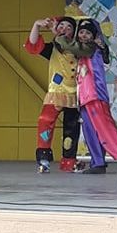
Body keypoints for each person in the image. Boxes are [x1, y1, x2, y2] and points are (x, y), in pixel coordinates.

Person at [57, 18, 117, 174]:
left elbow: (71, 46)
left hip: (95, 95)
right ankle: (98, 163)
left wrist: (60, 37)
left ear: (94, 36)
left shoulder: (91, 48)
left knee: (105, 126)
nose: (83, 35)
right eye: (81, 32)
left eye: (87, 33)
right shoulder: (82, 52)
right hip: (84, 98)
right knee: (89, 130)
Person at [24, 16, 81, 173]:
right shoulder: (53, 49)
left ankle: (69, 161)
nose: (64, 29)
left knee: (72, 128)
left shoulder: (79, 50)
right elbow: (33, 46)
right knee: (45, 121)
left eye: (68, 27)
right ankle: (43, 158)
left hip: (75, 95)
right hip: (56, 93)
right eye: (61, 26)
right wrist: (36, 25)